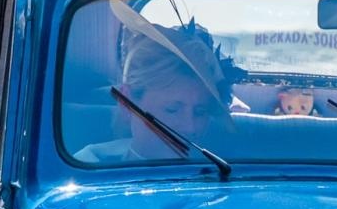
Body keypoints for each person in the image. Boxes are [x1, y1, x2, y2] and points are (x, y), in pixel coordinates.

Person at [78, 14, 237, 163]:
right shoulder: (87, 167)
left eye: (200, 112)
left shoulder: (221, 168)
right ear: (127, 104)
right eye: (172, 109)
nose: (190, 127)